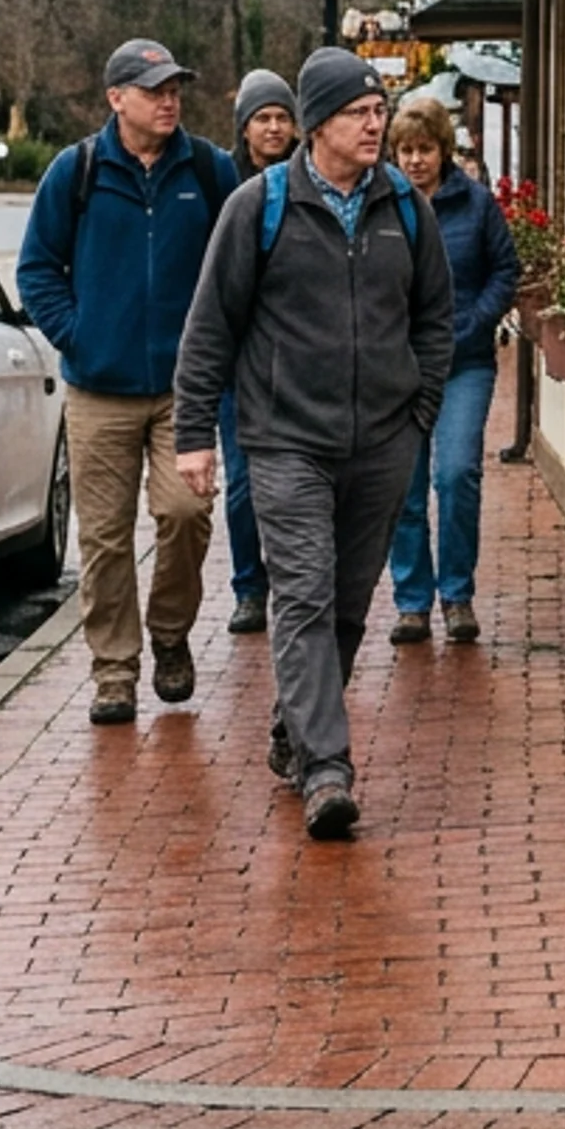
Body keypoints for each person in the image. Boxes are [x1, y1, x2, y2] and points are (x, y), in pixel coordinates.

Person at [171, 48, 453, 840]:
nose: (378, 124)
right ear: (319, 123)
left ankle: (296, 728)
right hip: (286, 440)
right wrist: (196, 434)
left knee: (349, 606)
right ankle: (328, 769)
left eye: (380, 110)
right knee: (302, 593)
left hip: (383, 442)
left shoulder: (406, 208)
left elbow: (436, 318)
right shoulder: (258, 207)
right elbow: (209, 331)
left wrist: (420, 411)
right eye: (361, 113)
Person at [17, 38, 239, 726]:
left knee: (185, 514)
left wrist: (226, 347)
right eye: (153, 90)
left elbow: (245, 263)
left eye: (174, 87)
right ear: (117, 99)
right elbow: (36, 271)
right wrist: (81, 335)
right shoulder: (76, 171)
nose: (169, 99)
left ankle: (170, 631)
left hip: (185, 389)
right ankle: (114, 671)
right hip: (97, 391)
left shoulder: (208, 169)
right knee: (106, 538)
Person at [386, 97, 517, 646]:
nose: (416, 161)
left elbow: (505, 272)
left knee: (456, 472)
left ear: (444, 150)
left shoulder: (477, 205)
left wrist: (473, 324)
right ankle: (412, 602)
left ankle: (456, 595)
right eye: (406, 151)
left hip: (464, 363)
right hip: (397, 368)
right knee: (403, 487)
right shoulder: (382, 206)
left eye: (426, 150)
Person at [216, 68, 299, 637]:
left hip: (296, 359)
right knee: (243, 480)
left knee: (300, 481)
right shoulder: (221, 182)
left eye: (281, 118)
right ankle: (250, 586)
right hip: (234, 361)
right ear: (244, 128)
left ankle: (297, 580)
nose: (272, 128)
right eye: (262, 119)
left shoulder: (309, 180)